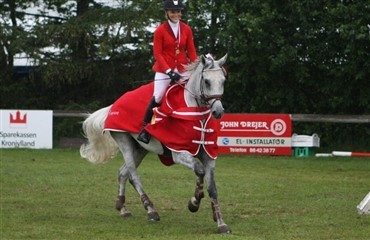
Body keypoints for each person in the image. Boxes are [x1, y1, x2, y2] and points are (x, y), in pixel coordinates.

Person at [137, 0, 198, 144]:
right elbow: (158, 54)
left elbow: (191, 51)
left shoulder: (186, 29)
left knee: (194, 90)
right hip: (165, 69)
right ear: (167, 13)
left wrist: (196, 66)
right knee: (158, 96)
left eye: (178, 11)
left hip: (183, 68)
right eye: (173, 12)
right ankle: (145, 129)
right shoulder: (160, 31)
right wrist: (169, 71)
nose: (176, 14)